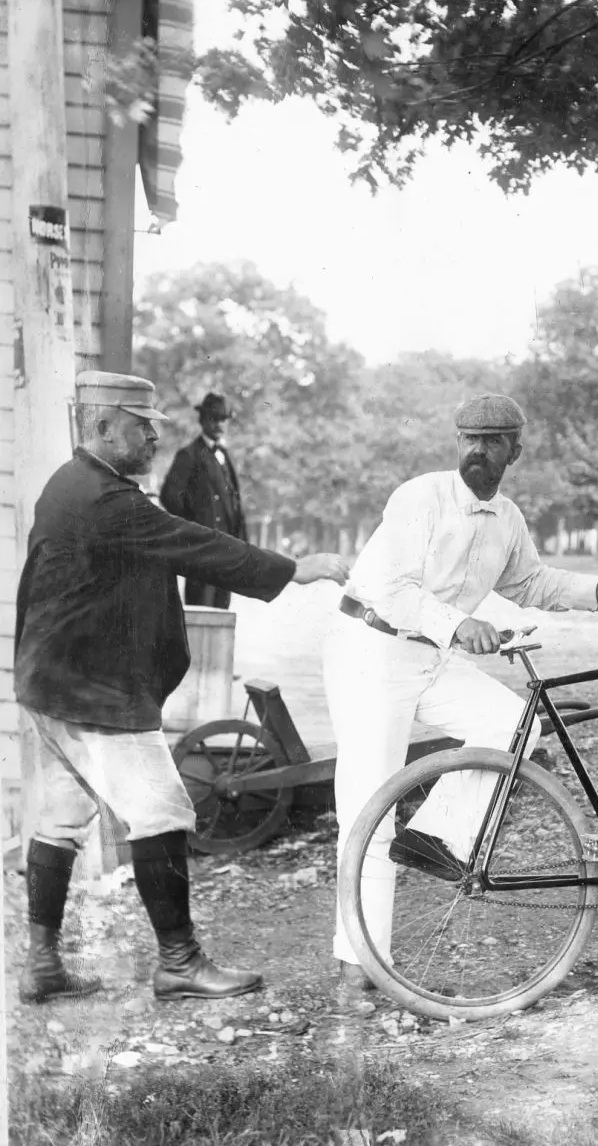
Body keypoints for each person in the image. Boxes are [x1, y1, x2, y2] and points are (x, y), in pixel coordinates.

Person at [14, 370, 349, 1005]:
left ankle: (42, 965)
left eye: (154, 429)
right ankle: (178, 962)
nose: (152, 439)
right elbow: (194, 544)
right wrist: (294, 570)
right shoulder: (107, 501)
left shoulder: (73, 484)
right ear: (104, 427)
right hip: (93, 694)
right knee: (163, 811)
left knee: (62, 815)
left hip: (54, 684)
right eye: (141, 428)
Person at [322, 394, 598, 1011]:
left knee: (512, 720)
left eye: (492, 442)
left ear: (515, 450)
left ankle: (435, 837)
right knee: (368, 804)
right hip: (369, 649)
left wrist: (595, 588)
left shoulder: (507, 517)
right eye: (468, 438)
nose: (477, 451)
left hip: (427, 655)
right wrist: (458, 626)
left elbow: (530, 582)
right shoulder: (421, 497)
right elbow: (391, 588)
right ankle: (354, 967)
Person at [159, 392, 246, 607]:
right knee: (201, 610)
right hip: (203, 549)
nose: (219, 424)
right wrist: (195, 526)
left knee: (222, 611)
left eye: (223, 419)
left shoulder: (224, 456)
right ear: (203, 420)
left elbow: (234, 505)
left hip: (226, 551)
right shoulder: (189, 455)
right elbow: (169, 496)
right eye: (213, 419)